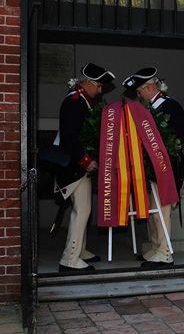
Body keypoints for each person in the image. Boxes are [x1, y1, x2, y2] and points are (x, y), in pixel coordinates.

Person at [123, 67, 184, 268]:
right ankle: (155, 247)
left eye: (140, 91)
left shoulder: (171, 106)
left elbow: (179, 140)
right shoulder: (149, 108)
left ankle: (165, 252)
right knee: (153, 211)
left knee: (162, 211)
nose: (138, 95)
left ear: (149, 87)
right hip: (150, 169)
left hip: (166, 169)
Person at [56, 63, 115, 272]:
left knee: (83, 209)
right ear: (88, 83)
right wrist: (86, 160)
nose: (100, 90)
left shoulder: (82, 101)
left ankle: (79, 251)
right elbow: (71, 137)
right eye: (99, 86)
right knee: (81, 211)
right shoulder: (75, 102)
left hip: (79, 166)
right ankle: (70, 259)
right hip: (75, 166)